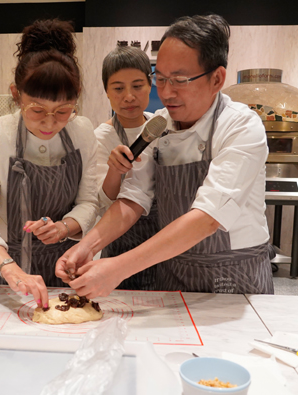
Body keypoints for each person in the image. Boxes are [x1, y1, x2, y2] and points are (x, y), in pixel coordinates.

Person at [56, 14, 274, 297]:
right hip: (173, 271)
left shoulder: (241, 126)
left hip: (233, 274)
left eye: (180, 80)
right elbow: (133, 198)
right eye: (160, 79)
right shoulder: (158, 127)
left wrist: (119, 268)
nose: (167, 92)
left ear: (217, 78)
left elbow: (208, 217)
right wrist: (86, 247)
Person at [0, 19, 98, 308]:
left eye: (63, 111)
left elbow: (89, 201)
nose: (50, 123)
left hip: (69, 269)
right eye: (37, 110)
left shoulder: (82, 131)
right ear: (16, 95)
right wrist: (10, 269)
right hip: (13, 276)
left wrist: (65, 227)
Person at [94, 45, 160, 290]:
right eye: (118, 88)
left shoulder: (162, 126)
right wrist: (114, 169)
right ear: (107, 92)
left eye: (137, 85)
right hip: (119, 244)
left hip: (162, 245)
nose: (129, 96)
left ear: (150, 84)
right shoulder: (101, 137)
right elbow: (103, 202)